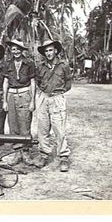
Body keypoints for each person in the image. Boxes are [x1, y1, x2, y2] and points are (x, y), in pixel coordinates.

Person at [34, 39, 72, 172]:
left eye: (51, 50)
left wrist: (59, 93)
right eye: (46, 51)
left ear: (55, 51)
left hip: (57, 98)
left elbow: (68, 83)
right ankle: (44, 154)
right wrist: (45, 94)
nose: (49, 53)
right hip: (44, 97)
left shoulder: (63, 65)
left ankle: (63, 157)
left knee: (59, 129)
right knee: (42, 128)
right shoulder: (40, 66)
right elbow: (38, 81)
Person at [2, 38, 36, 166]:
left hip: (24, 94)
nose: (15, 51)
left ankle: (26, 152)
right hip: (11, 95)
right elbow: (5, 82)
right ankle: (17, 152)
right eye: (13, 49)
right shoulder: (7, 64)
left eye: (18, 49)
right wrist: (4, 101)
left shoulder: (29, 63)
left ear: (22, 50)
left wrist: (32, 101)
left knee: (25, 123)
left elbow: (33, 82)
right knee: (13, 124)